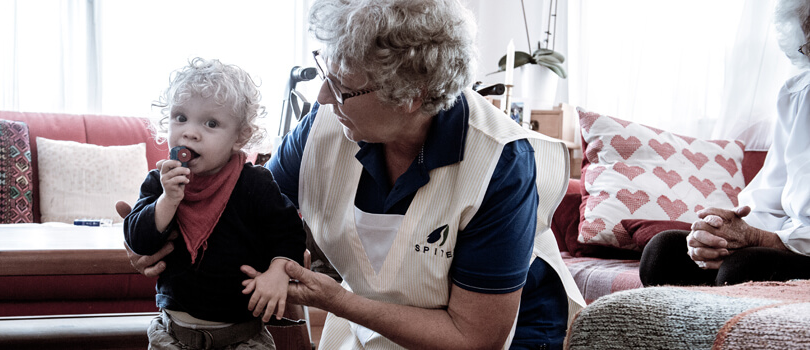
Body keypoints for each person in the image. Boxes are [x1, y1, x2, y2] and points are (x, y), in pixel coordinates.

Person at [129, 1, 585, 349]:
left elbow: (472, 336)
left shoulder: (499, 162)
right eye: (327, 72)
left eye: (344, 87)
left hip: (501, 333)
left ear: (410, 95)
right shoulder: (328, 125)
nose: (324, 96)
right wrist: (162, 230)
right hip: (381, 319)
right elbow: (251, 211)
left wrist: (336, 300)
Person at [123, 57, 306, 349]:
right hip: (172, 337)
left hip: (243, 338)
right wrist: (167, 200)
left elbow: (290, 234)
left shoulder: (256, 184)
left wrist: (277, 272)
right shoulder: (160, 181)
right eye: (180, 117)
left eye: (210, 123)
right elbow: (138, 240)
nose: (190, 132)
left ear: (239, 137)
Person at [639, 0, 810, 287]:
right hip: (789, 241)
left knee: (743, 270)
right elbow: (769, 197)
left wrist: (761, 240)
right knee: (663, 252)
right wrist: (724, 235)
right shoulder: (797, 94)